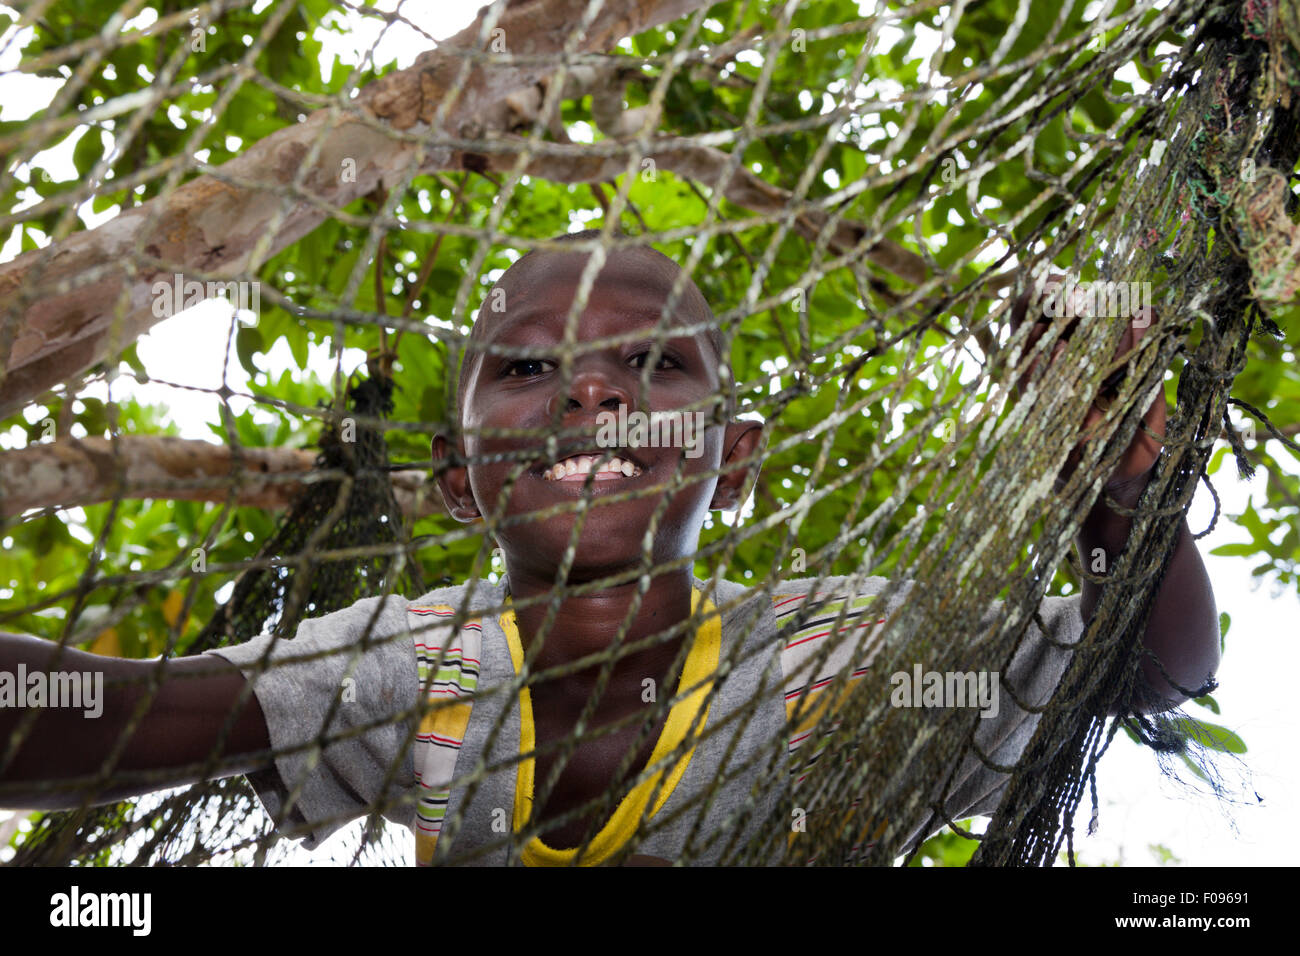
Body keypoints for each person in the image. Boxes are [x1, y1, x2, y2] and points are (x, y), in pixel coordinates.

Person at [0, 233, 1220, 866]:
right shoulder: (406, 667)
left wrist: (1114, 480)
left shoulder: (843, 650)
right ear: (456, 480)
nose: (589, 392)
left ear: (732, 460)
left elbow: (1151, 675)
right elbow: (103, 717)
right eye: (528, 369)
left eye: (651, 365)